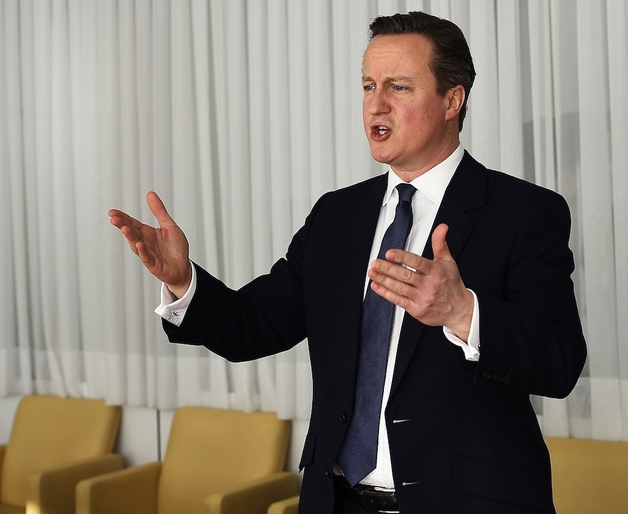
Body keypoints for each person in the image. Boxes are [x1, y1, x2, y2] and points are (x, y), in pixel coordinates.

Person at [109, 11, 586, 514]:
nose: (375, 104)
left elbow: (559, 364)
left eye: (398, 87)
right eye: (367, 85)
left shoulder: (525, 212)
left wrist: (462, 312)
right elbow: (254, 326)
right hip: (335, 502)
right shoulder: (337, 216)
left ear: (453, 99)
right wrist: (184, 282)